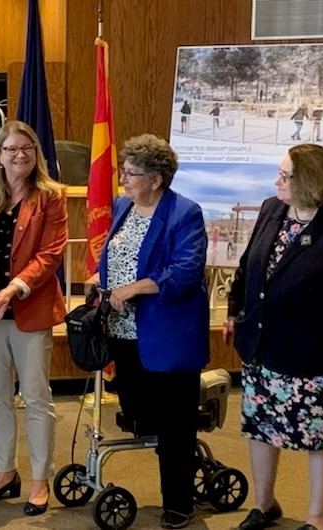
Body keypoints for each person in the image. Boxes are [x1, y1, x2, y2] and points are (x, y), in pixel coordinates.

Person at [85, 133, 209, 529]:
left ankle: (179, 502)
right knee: (141, 416)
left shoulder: (184, 214)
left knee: (175, 426)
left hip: (167, 335)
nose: (123, 178)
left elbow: (185, 272)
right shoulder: (124, 205)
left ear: (157, 179)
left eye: (132, 173)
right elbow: (118, 254)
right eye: (124, 170)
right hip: (123, 332)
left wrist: (133, 288)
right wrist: (99, 276)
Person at [224, 144, 323, 530]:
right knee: (260, 427)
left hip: (316, 351)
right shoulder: (272, 208)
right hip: (261, 344)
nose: (277, 180)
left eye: (285, 175)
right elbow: (247, 266)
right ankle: (263, 504)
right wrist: (233, 312)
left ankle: (316, 517)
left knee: (320, 436)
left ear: (310, 181)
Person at [0, 121, 67, 517]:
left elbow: (50, 255)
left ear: (36, 153)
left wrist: (13, 288)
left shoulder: (50, 197)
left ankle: (39, 479)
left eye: (27, 148)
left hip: (29, 308)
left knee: (37, 398)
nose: (19, 155)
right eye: (10, 149)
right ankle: (6, 471)